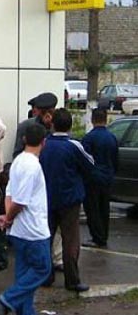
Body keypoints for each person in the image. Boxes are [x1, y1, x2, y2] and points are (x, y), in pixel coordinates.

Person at [0, 123, 51, 315]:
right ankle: (6, 300)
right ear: (43, 142)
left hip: (19, 229)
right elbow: (22, 201)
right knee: (43, 268)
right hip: (33, 228)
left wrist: (8, 218)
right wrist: (9, 217)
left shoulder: (18, 162)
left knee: (24, 271)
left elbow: (10, 193)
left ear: (24, 139)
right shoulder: (32, 166)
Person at [39, 108, 94, 292]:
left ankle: (46, 276)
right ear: (70, 125)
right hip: (70, 198)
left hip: (47, 197)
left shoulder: (44, 144)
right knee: (70, 240)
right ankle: (72, 280)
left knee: (46, 238)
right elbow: (90, 164)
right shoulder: (73, 145)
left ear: (52, 124)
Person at [82, 108, 118, 248]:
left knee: (93, 209)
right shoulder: (112, 137)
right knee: (104, 207)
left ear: (92, 120)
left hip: (92, 179)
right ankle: (104, 235)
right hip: (107, 177)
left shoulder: (89, 138)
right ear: (106, 119)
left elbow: (84, 160)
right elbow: (115, 159)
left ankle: (97, 237)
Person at [13, 92, 57, 159]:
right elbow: (17, 153)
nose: (47, 116)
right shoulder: (26, 126)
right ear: (38, 111)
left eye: (50, 112)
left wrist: (51, 126)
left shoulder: (59, 125)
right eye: (44, 112)